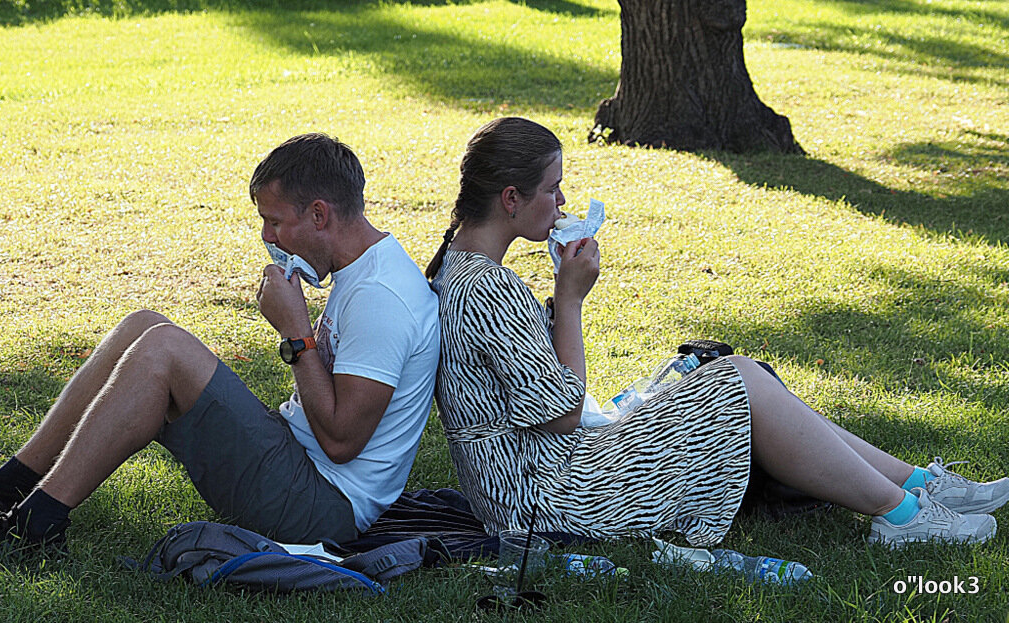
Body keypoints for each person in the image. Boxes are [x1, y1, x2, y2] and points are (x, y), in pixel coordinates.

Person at [425, 116, 1008, 548]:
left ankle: (918, 489)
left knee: (738, 377)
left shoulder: (462, 267)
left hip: (532, 481)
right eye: (553, 189)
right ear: (510, 199)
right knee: (737, 382)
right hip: (550, 498)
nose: (562, 203)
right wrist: (570, 302)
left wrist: (556, 307)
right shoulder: (487, 287)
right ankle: (904, 516)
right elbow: (562, 414)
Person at [0, 133, 441, 560]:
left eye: (275, 222)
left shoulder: (382, 298)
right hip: (299, 466)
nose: (268, 239)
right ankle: (6, 488)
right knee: (144, 325)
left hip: (323, 508)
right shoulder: (360, 271)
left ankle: (33, 522)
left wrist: (296, 335)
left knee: (164, 350)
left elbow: (343, 442)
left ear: (320, 214)